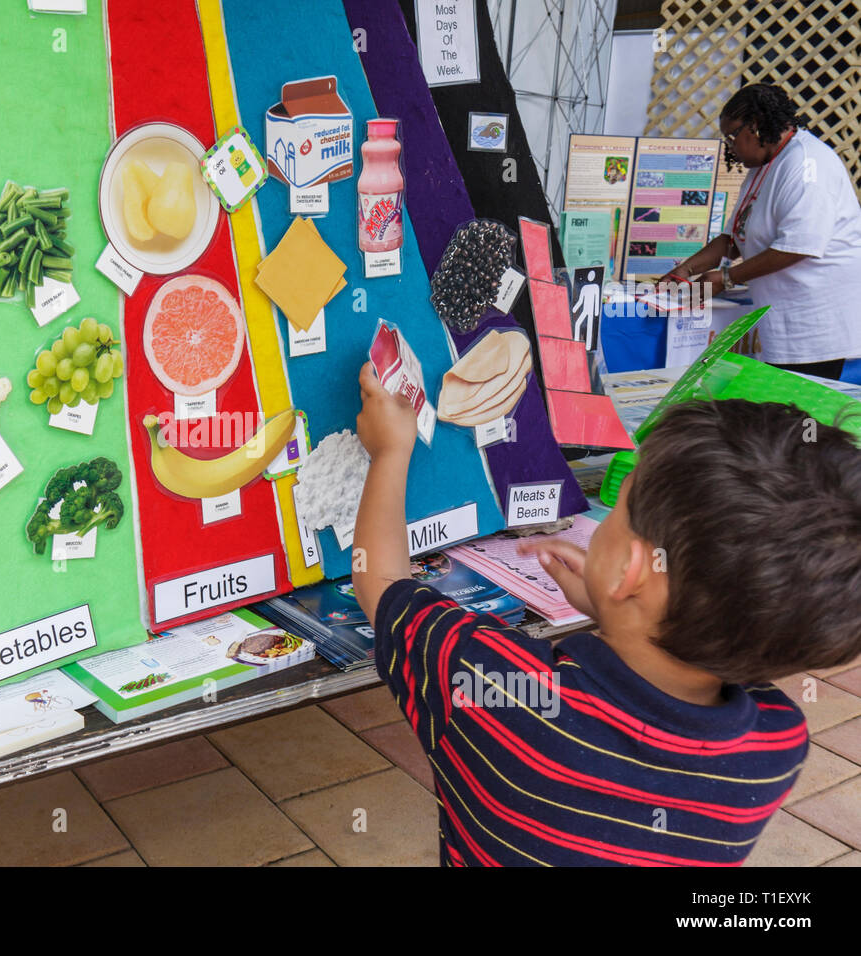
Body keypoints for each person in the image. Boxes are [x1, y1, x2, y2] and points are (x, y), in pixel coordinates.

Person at [351, 362, 861, 865]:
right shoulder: (777, 744)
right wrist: (612, 605)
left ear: (633, 573)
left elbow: (382, 584)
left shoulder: (501, 689)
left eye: (618, 508)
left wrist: (390, 451)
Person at [662, 83, 861, 380]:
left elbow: (798, 245)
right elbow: (733, 239)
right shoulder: (763, 166)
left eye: (731, 137)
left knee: (799, 417)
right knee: (779, 415)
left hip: (815, 326)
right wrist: (685, 269)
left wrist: (726, 278)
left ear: (753, 127)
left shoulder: (807, 164)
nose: (729, 147)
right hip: (783, 322)